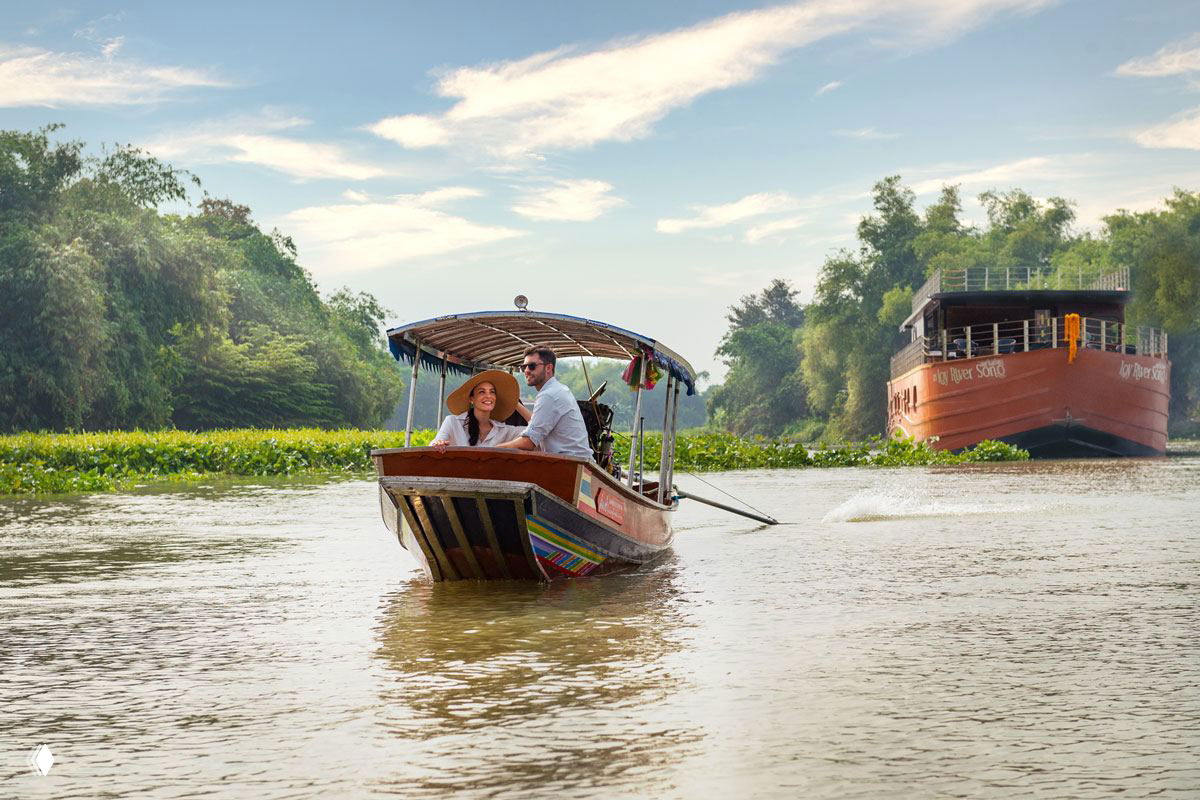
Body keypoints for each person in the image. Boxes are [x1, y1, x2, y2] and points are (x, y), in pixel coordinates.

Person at [495, 346, 594, 460]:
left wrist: (493, 449)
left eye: (532, 366)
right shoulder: (558, 389)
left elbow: (529, 442)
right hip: (576, 462)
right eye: (523, 367)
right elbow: (537, 422)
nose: (526, 371)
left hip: (571, 464)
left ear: (548, 368)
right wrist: (515, 403)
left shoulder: (549, 395)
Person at [429, 370, 531, 451]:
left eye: (492, 392)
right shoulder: (452, 422)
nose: (488, 396)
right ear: (471, 398)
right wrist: (438, 444)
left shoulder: (504, 430)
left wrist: (514, 402)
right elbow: (435, 444)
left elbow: (537, 430)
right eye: (482, 392)